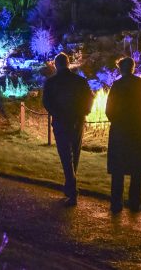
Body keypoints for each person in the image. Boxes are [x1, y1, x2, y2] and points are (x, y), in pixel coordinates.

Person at [42, 52, 94, 206]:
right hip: (77, 120)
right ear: (68, 63)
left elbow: (47, 102)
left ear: (56, 65)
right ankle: (70, 185)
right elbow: (90, 98)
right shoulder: (80, 81)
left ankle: (72, 189)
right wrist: (84, 112)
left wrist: (56, 113)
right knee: (75, 153)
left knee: (65, 155)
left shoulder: (51, 82)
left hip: (61, 121)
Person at [106, 56, 141, 213]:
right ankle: (135, 202)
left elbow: (109, 110)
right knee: (136, 169)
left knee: (118, 169)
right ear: (133, 68)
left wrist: (117, 121)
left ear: (121, 69)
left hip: (120, 131)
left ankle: (116, 202)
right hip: (137, 131)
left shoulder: (117, 86)